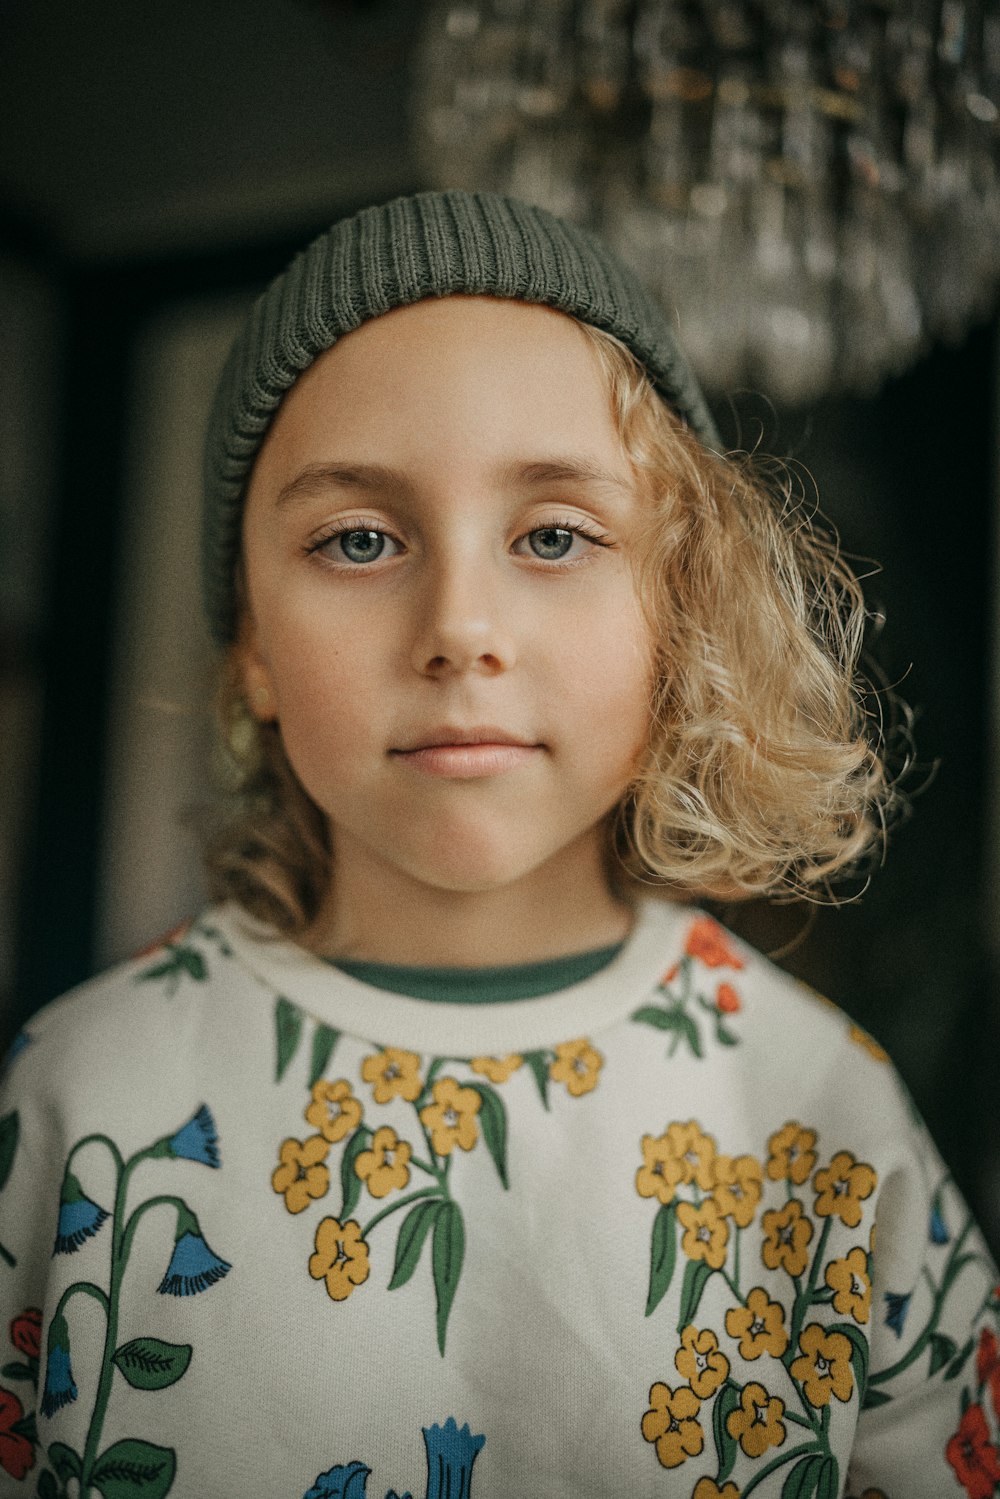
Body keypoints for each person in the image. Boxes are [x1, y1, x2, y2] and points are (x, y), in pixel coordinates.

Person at [0, 190, 996, 1499]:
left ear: (677, 615)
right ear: (250, 644)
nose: (462, 625)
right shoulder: (78, 1100)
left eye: (554, 536)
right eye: (359, 539)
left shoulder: (824, 1109)